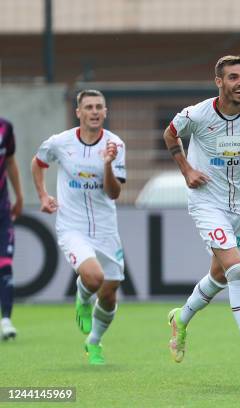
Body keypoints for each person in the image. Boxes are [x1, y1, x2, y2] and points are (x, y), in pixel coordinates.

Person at [163, 55, 240, 382]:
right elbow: (170, 135)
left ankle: (182, 318)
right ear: (219, 82)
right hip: (207, 201)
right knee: (238, 270)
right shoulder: (197, 114)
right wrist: (187, 170)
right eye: (233, 77)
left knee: (219, 275)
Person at [31, 90, 127, 365]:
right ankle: (83, 298)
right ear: (79, 113)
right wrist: (42, 195)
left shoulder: (115, 144)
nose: (95, 112)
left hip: (106, 228)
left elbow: (113, 193)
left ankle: (93, 342)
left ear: (105, 112)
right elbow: (38, 164)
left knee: (109, 294)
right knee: (93, 278)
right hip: (71, 225)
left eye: (99, 107)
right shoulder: (60, 143)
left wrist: (107, 165)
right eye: (89, 107)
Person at [0, 118, 23, 340]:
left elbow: (10, 161)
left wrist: (20, 195)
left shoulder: (6, 127)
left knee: (5, 263)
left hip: (2, 209)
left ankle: (6, 319)